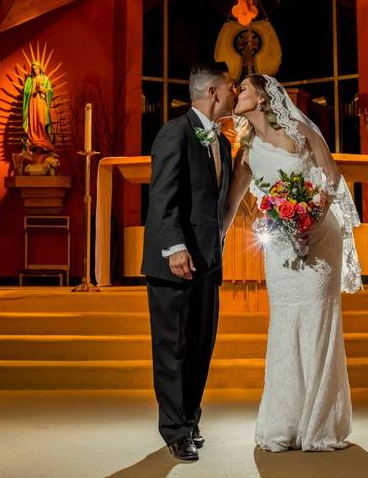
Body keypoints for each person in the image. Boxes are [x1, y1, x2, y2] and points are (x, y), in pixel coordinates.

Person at [223, 73, 362, 452]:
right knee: (285, 323)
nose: (238, 93)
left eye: (245, 89)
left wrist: (313, 218)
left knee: (319, 322)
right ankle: (284, 422)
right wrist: (211, 244)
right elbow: (231, 207)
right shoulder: (247, 151)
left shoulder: (299, 131)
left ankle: (319, 424)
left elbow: (331, 176)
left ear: (265, 98)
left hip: (320, 239)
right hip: (281, 247)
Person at [141, 62, 236, 462]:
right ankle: (175, 429)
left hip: (208, 262)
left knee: (200, 346)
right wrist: (175, 247)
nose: (233, 94)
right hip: (174, 262)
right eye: (230, 88)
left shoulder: (224, 143)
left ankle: (191, 418)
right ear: (213, 92)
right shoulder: (174, 132)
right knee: (172, 349)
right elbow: (162, 197)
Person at [21, 61, 54, 152]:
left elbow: (50, 91)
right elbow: (26, 93)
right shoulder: (29, 80)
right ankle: (33, 138)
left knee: (41, 119)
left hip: (41, 102)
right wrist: (33, 90)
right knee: (33, 120)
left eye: (36, 68)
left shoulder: (45, 79)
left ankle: (42, 137)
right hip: (32, 102)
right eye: (33, 69)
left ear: (40, 68)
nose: (35, 70)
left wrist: (43, 90)